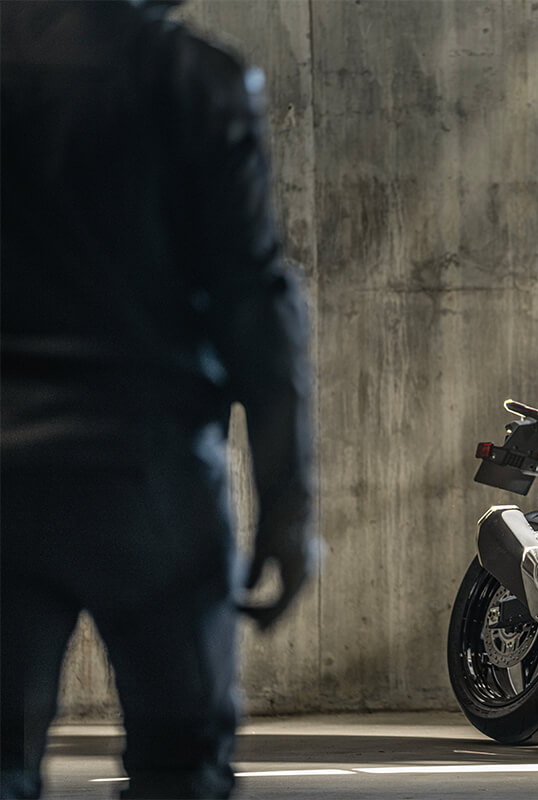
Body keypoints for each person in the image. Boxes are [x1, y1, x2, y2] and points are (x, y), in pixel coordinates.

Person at [0, 2, 316, 797]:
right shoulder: (196, 79)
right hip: (151, 478)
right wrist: (286, 500)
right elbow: (254, 303)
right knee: (182, 766)